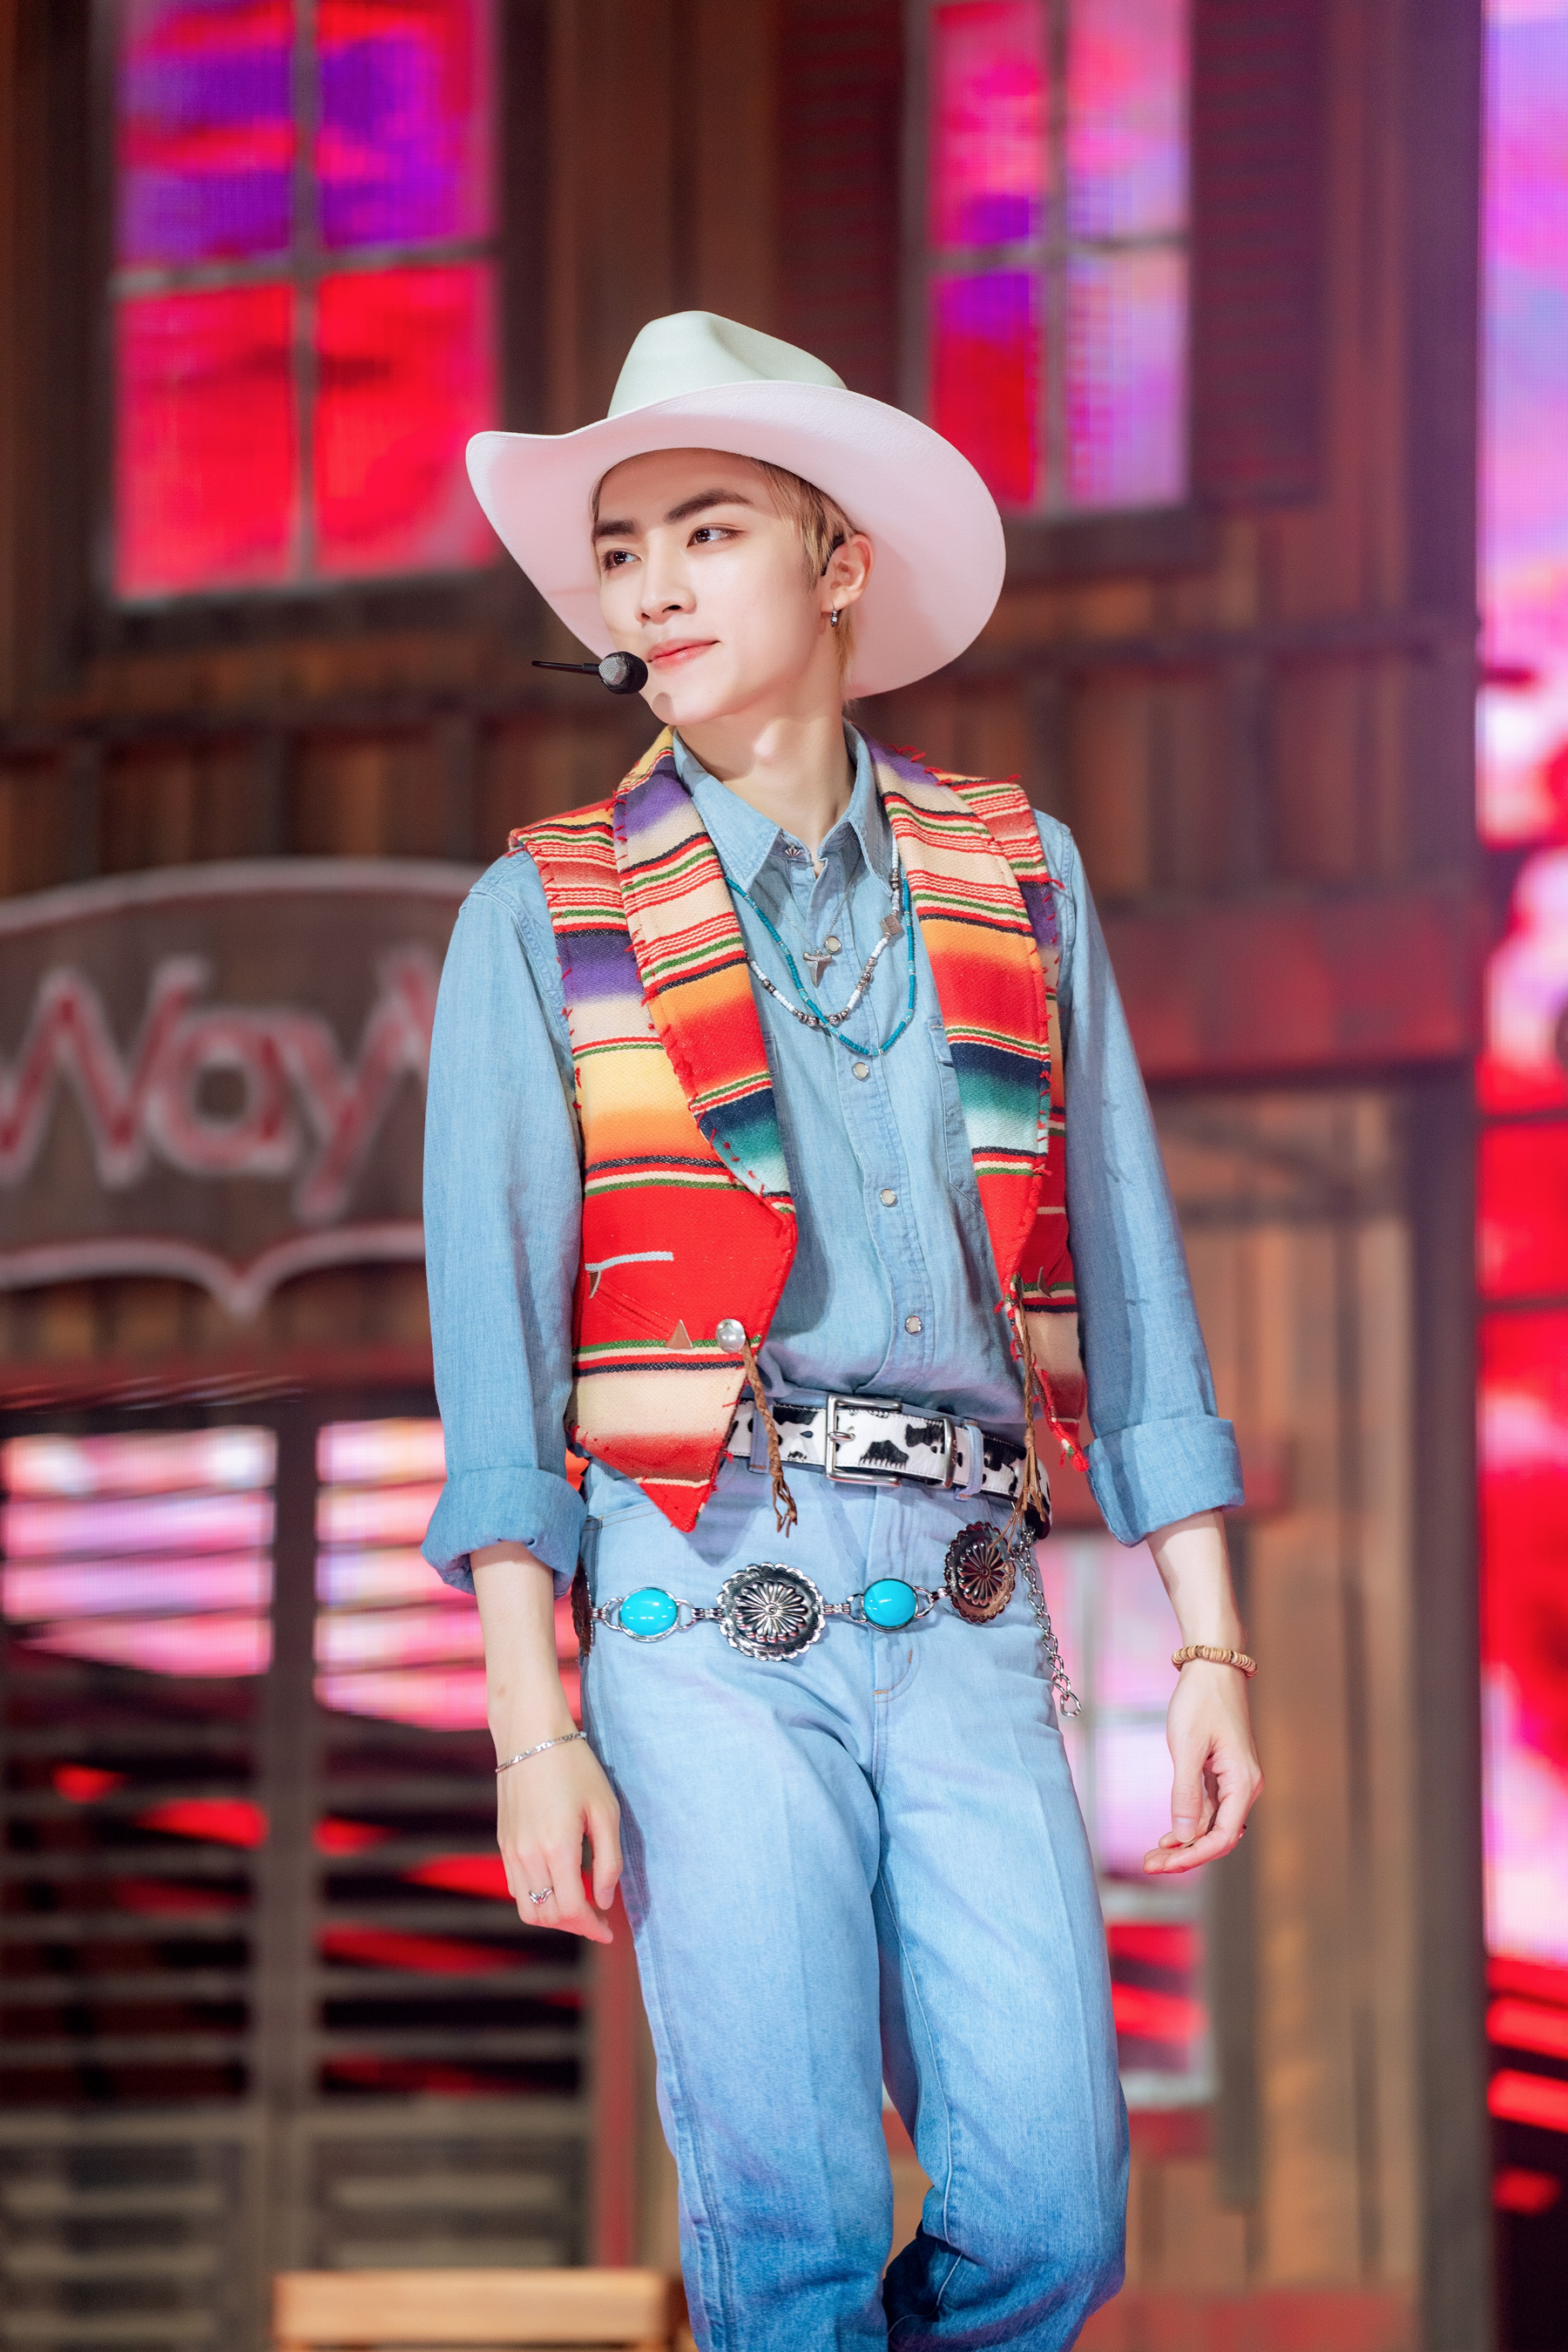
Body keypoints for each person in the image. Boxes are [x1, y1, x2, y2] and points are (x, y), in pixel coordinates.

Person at [422, 312, 1262, 2351]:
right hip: (695, 1596)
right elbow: (494, 1362)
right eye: (620, 553)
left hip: (974, 1606)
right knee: (789, 2240)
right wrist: (533, 1734)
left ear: (839, 562)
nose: (652, 588)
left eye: (707, 531)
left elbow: (1127, 1265)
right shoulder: (547, 912)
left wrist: (1208, 1642)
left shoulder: (1016, 874)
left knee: (1052, 2221)